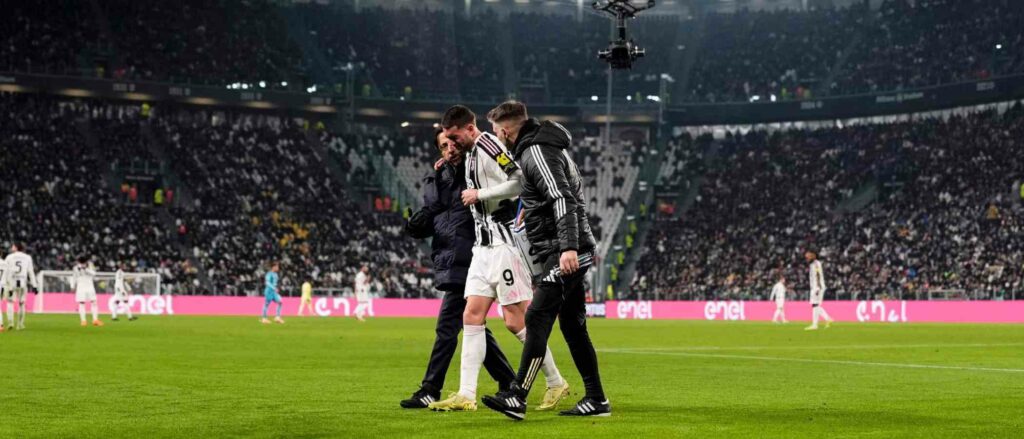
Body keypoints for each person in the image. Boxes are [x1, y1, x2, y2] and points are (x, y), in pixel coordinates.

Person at [427, 105, 568, 413]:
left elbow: (518, 181)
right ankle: (466, 394)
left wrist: (482, 196)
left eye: (453, 137)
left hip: (504, 246)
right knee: (471, 316)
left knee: (515, 321)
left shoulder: (490, 145)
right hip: (482, 248)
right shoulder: (469, 155)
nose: (450, 143)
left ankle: (556, 382)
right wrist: (447, 164)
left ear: (468, 128)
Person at [479, 101, 607, 420]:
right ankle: (596, 400)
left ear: (506, 130)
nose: (497, 138)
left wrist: (567, 248)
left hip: (566, 250)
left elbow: (561, 197)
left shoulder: (536, 151)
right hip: (563, 247)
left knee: (536, 317)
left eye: (497, 133)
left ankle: (517, 396)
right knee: (573, 326)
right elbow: (545, 199)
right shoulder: (537, 149)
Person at [400, 127, 517, 409]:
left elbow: (508, 182)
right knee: (473, 324)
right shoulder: (440, 178)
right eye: (443, 146)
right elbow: (436, 214)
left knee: (447, 327)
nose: (449, 149)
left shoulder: (474, 168)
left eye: (452, 142)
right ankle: (511, 382)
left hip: (473, 256)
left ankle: (431, 388)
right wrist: (418, 225)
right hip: (450, 257)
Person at [1, 243, 38, 331]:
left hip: (12, 283)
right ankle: (20, 325)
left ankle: (10, 323)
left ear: (16, 247)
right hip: (22, 283)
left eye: (13, 246)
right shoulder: (27, 257)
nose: (11, 247)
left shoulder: (9, 257)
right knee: (22, 304)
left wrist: (6, 284)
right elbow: (30, 272)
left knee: (10, 302)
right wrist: (34, 285)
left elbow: (5, 271)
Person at [805, 251, 833, 330]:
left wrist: (817, 287)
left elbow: (817, 275)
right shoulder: (812, 264)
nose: (807, 259)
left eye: (808, 257)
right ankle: (827, 319)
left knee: (815, 304)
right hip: (815, 286)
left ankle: (815, 324)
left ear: (813, 256)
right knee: (815, 305)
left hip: (817, 287)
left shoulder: (816, 264)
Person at [73, 256, 103, 327]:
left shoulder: (90, 266)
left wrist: (85, 269)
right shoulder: (75, 268)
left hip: (89, 286)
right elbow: (74, 276)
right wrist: (73, 286)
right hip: (82, 286)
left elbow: (94, 273)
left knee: (93, 302)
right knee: (82, 303)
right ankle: (84, 321)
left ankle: (95, 320)